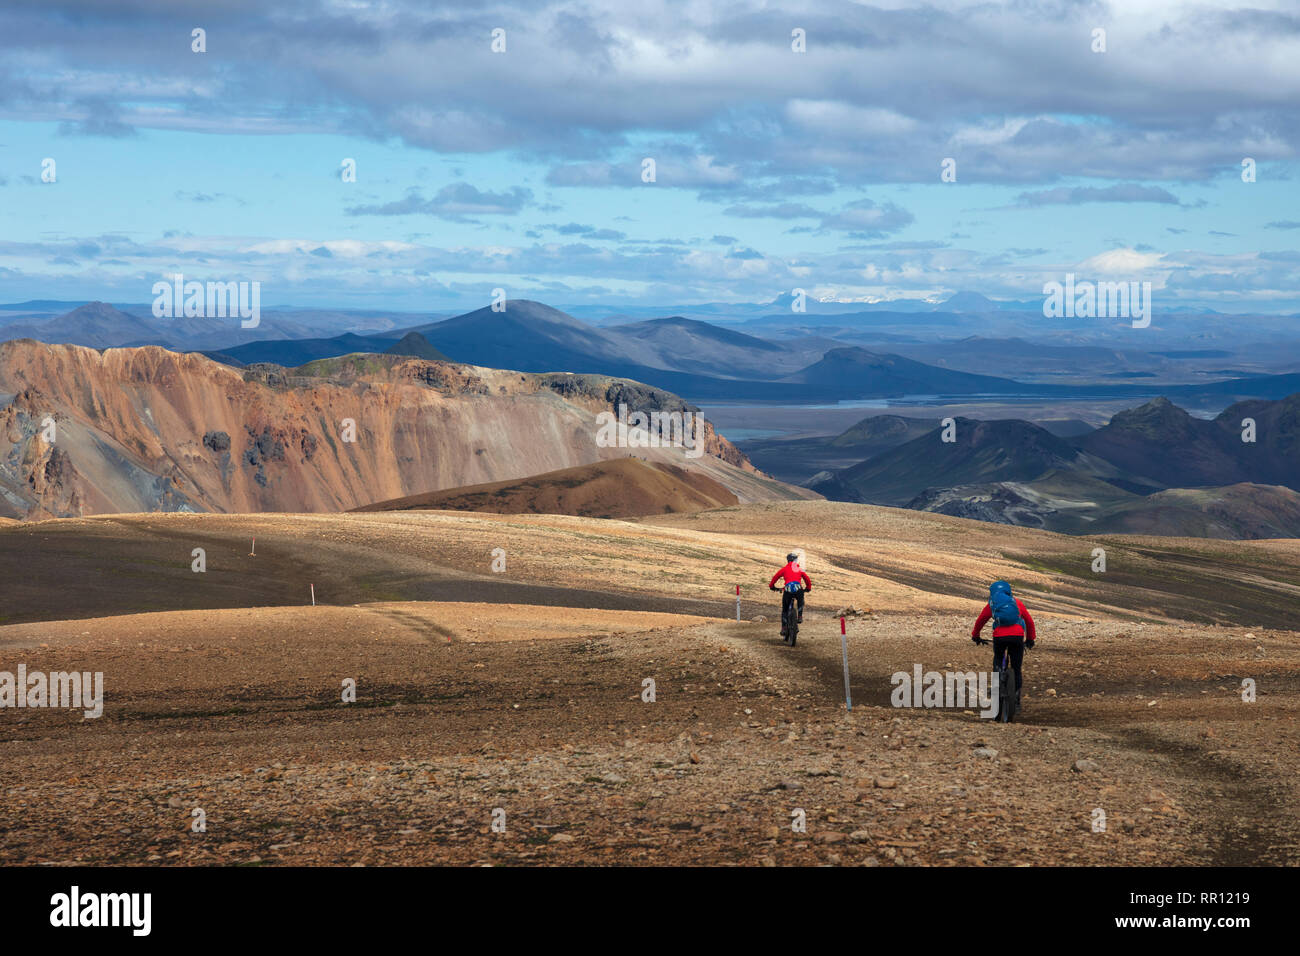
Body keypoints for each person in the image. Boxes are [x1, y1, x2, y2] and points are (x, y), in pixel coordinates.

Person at [971, 580, 1036, 704]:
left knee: (998, 660)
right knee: (1016, 668)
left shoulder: (992, 603)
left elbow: (981, 620)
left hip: (999, 637)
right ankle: (1016, 700)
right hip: (1017, 637)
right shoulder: (1016, 602)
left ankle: (997, 684)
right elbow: (1029, 621)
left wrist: (976, 636)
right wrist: (1030, 639)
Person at [769, 552, 812, 625]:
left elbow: (775, 577)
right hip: (798, 589)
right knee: (800, 601)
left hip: (788, 590)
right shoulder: (799, 569)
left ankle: (784, 628)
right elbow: (807, 579)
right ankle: (800, 616)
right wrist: (808, 588)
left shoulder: (784, 569)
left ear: (788, 560)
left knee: (785, 609)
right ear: (795, 561)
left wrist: (772, 586)